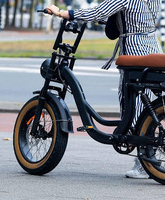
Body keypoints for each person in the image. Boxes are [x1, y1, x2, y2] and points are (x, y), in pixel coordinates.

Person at [46, 0, 163, 179]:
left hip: (134, 48)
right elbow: (129, 18)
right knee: (144, 98)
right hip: (151, 45)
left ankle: (144, 161)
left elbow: (98, 11)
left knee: (133, 102)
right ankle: (145, 156)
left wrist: (63, 13)